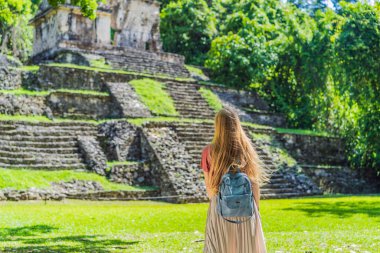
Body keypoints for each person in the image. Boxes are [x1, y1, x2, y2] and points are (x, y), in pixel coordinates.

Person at [200, 107, 269, 253]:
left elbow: (210, 189)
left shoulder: (209, 151)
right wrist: (256, 210)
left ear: (218, 126)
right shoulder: (245, 148)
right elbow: (254, 183)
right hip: (245, 207)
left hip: (220, 208)